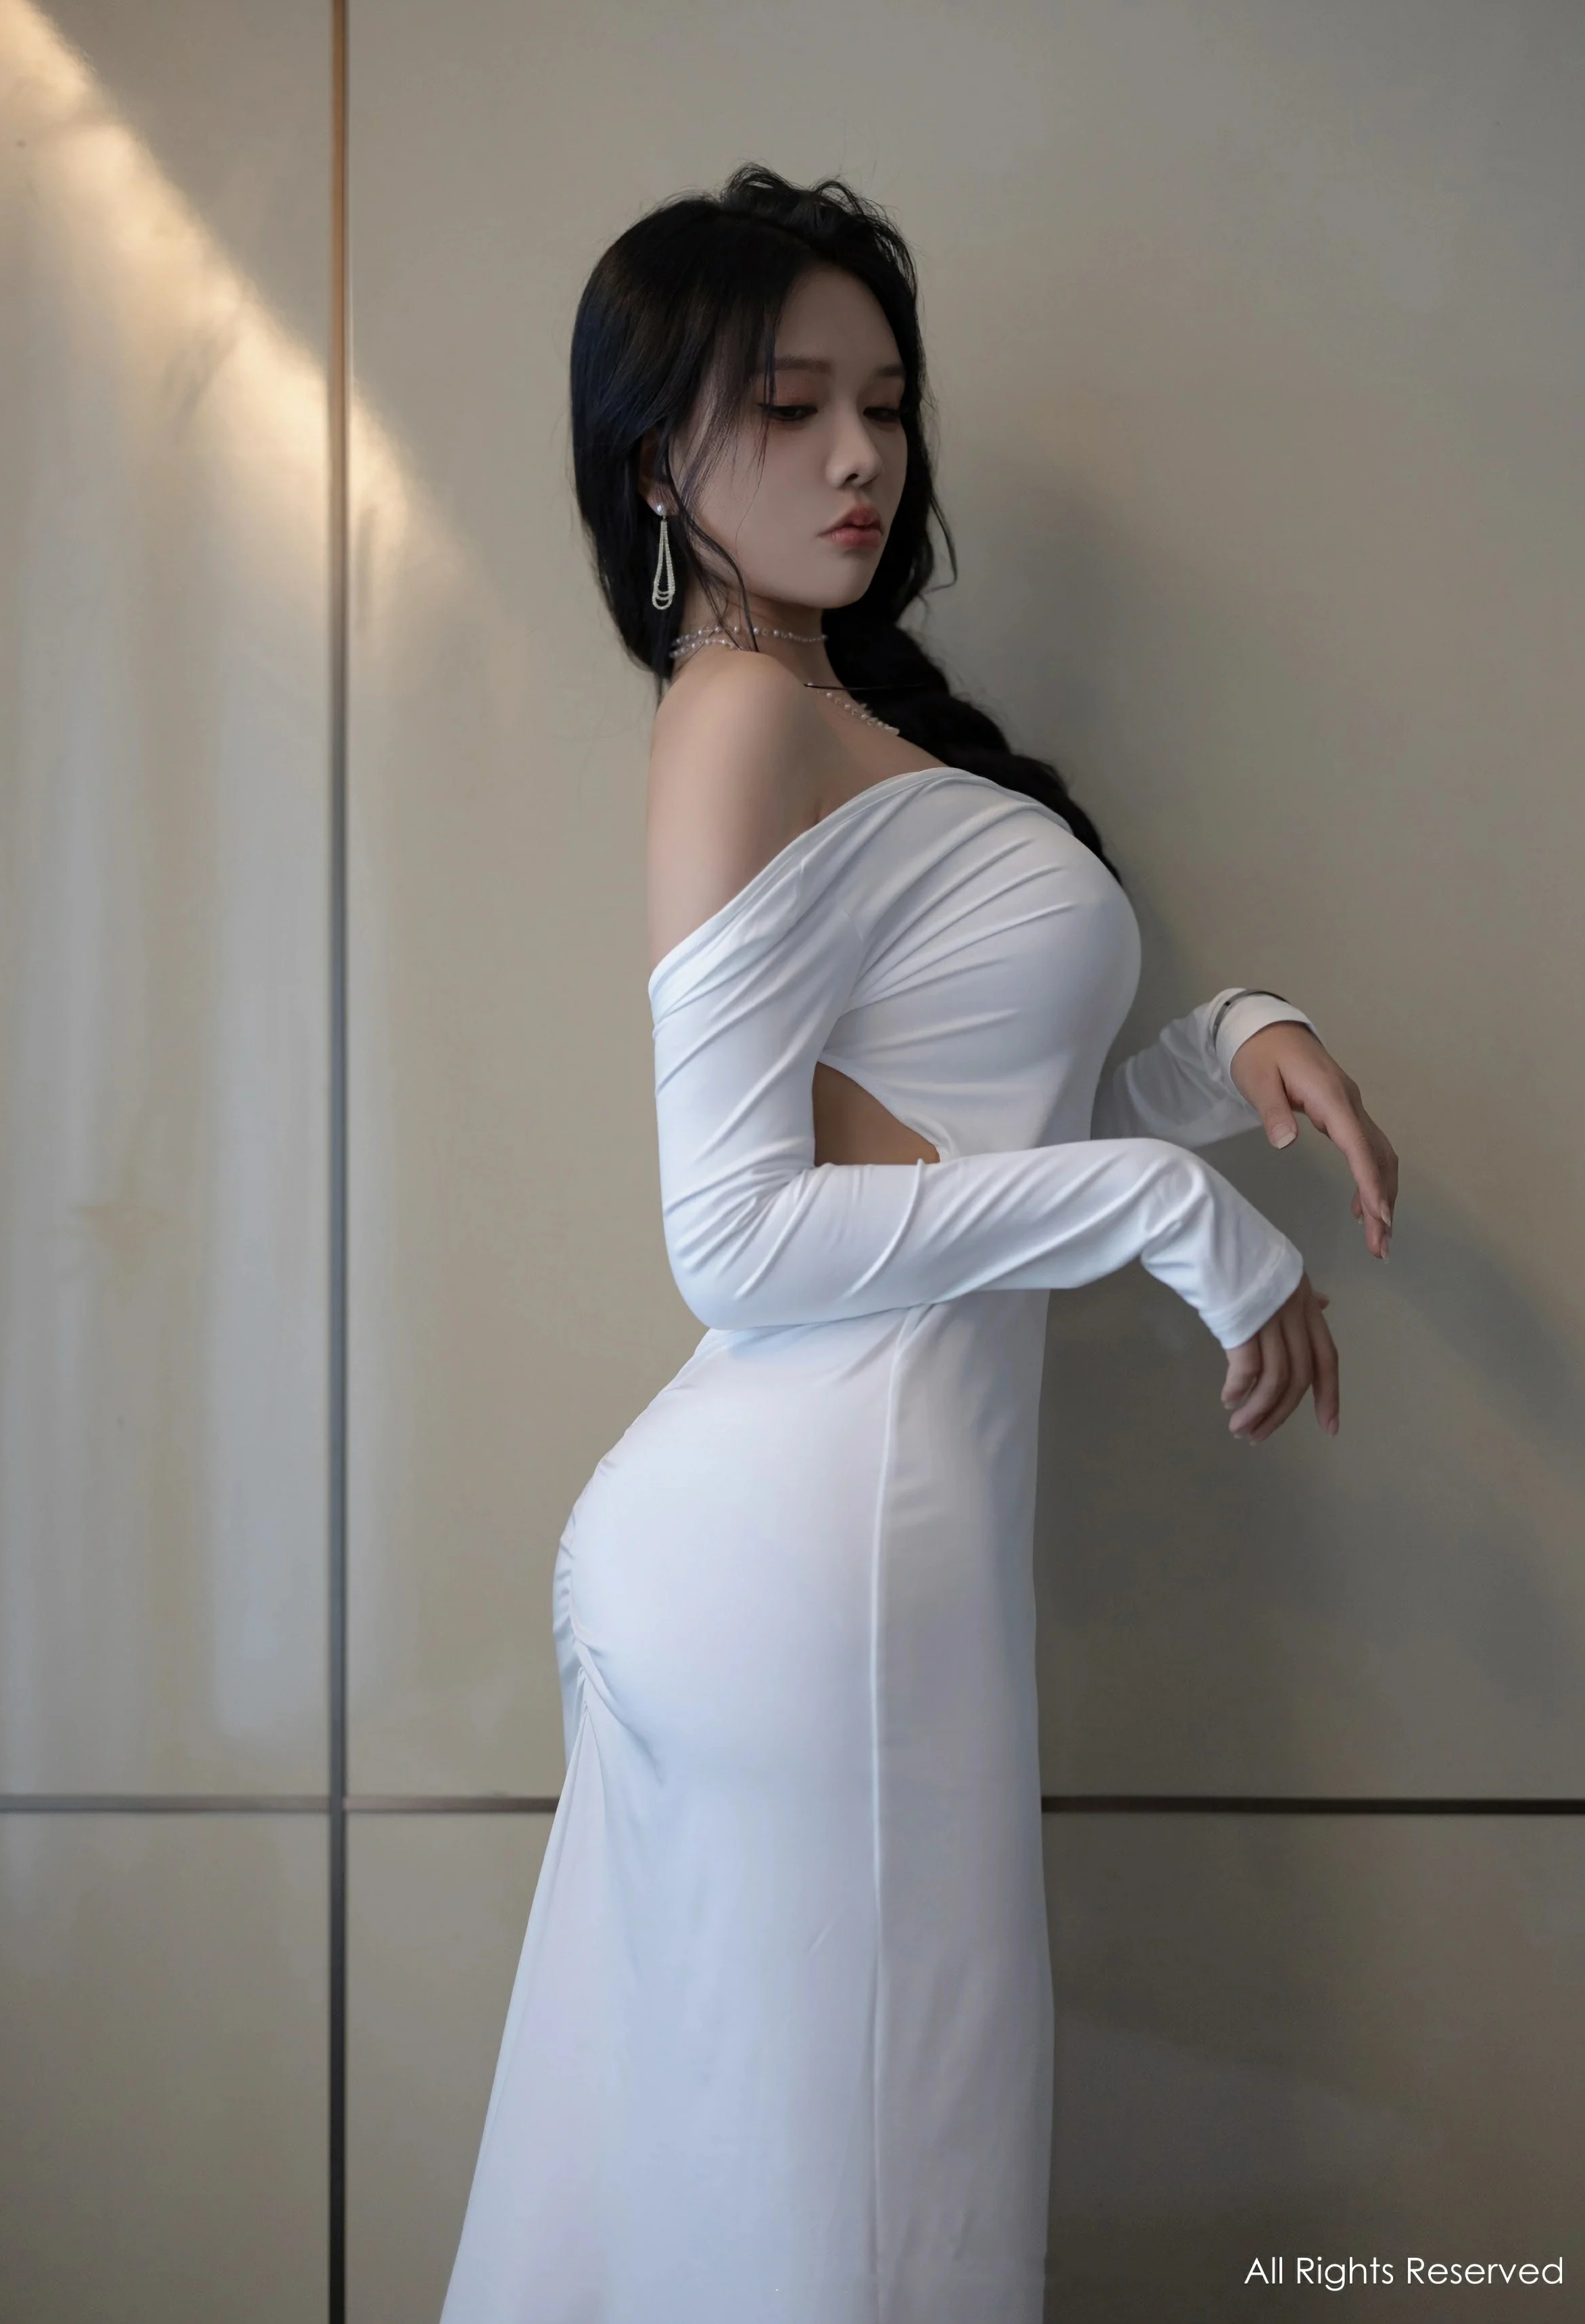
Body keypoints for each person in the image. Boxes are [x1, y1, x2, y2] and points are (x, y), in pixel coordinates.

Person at [440, 164, 1398, 2324]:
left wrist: (1225, 1055)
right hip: (812, 1546)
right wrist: (1162, 1211)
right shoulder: (736, 713)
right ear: (657, 465)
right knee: (863, 2225)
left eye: (882, 403)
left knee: (825, 2206)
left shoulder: (856, 714)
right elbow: (737, 1239)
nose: (860, 454)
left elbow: (967, 1149)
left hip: (865, 1538)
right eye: (789, 409)